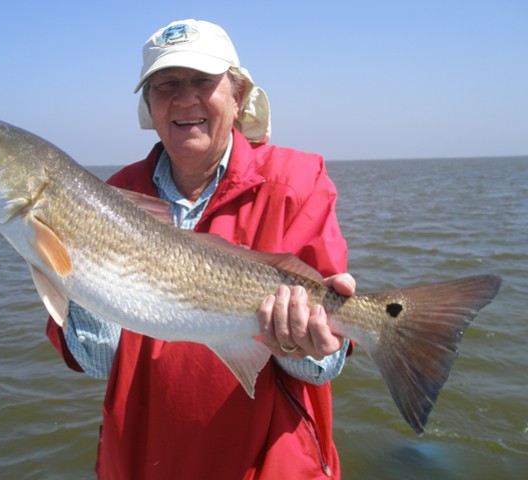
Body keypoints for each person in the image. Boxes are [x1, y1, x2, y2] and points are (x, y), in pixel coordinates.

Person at [46, 19, 355, 480]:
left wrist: (309, 347)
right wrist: (62, 260)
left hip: (271, 466)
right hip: (140, 463)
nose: (185, 98)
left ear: (237, 95)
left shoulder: (298, 183)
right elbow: (99, 362)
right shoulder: (110, 197)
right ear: (148, 105)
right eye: (166, 84)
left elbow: (322, 367)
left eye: (203, 80)